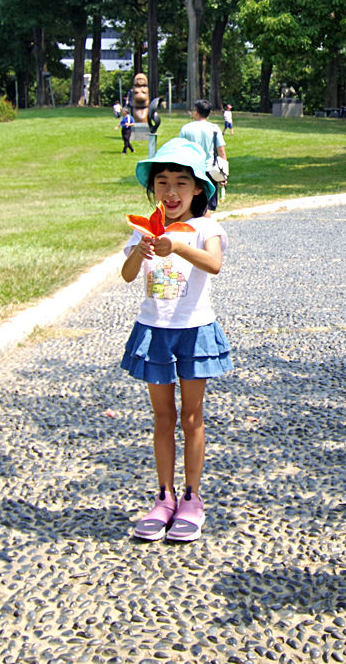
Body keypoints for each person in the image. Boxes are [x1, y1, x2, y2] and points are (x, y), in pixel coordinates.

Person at [120, 138, 232, 542]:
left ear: (199, 188)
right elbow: (128, 274)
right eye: (162, 182)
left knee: (192, 417)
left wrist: (180, 246)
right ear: (152, 188)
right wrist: (142, 250)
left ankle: (192, 497)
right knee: (163, 417)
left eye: (181, 183)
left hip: (195, 329)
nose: (171, 192)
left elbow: (214, 264)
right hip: (155, 331)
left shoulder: (205, 228)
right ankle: (164, 496)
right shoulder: (144, 228)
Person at [178, 99, 228, 211]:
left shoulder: (186, 128)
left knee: (191, 204)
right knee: (208, 205)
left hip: (191, 170)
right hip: (210, 170)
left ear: (196, 111)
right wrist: (224, 174)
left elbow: (180, 150)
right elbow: (221, 151)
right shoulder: (214, 129)